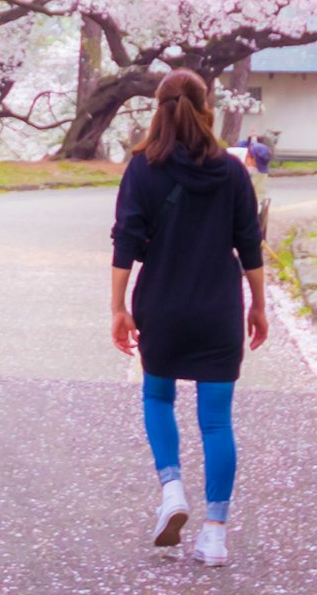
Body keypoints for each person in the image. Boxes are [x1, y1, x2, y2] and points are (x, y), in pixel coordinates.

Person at [111, 67, 267, 566]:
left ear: (158, 110)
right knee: (217, 422)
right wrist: (258, 306)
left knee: (158, 395)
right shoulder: (231, 171)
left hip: (163, 306)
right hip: (219, 308)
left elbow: (127, 242)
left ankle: (173, 490)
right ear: (206, 110)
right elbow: (249, 246)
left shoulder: (142, 168)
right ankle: (215, 536)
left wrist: (118, 307)